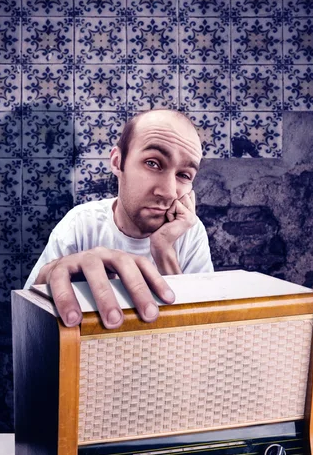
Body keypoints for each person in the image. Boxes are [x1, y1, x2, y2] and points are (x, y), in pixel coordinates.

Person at [25, 109, 213, 329]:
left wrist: (164, 251)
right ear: (117, 162)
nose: (169, 192)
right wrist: (46, 282)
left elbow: (198, 332)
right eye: (153, 163)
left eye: (184, 175)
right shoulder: (81, 225)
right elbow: (29, 324)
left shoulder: (189, 232)